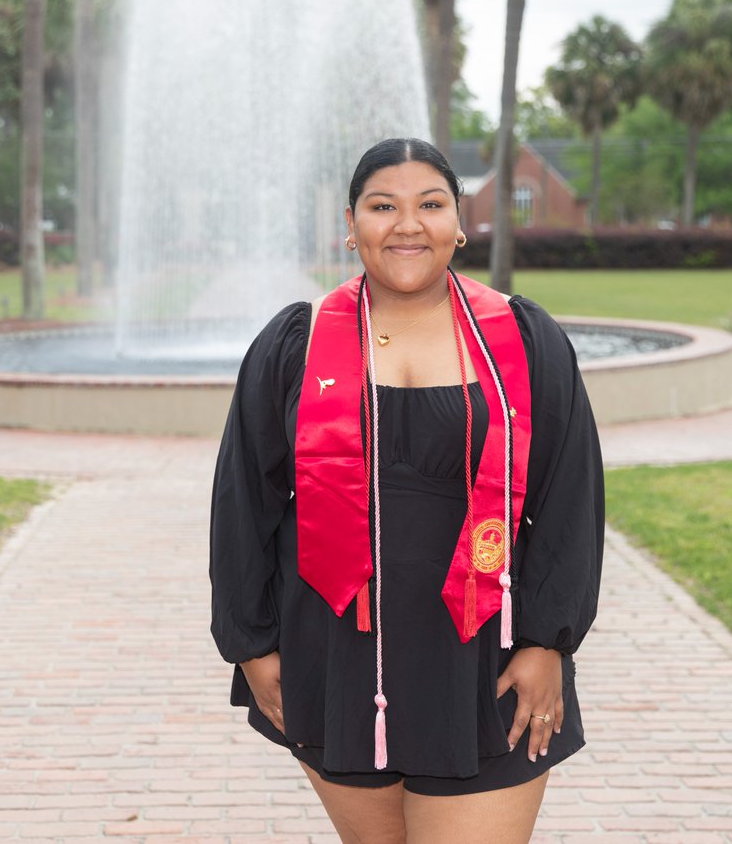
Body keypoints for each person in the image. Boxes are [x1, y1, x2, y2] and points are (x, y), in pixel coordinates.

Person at [210, 137, 604, 844]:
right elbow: (244, 501)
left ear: (460, 222)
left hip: (489, 656)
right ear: (351, 224)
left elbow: (570, 496)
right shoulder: (295, 346)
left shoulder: (524, 339)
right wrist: (251, 645)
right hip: (336, 657)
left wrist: (549, 642)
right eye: (382, 206)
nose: (407, 225)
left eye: (430, 204)